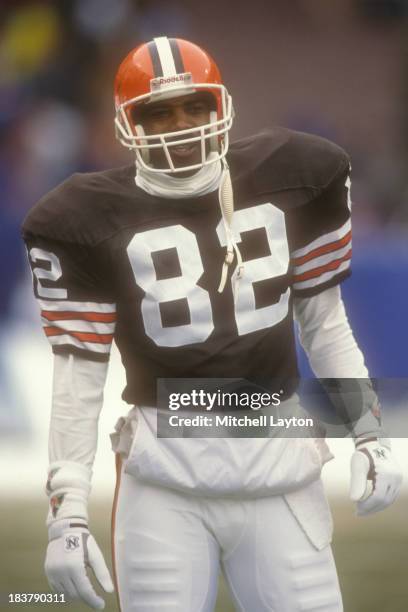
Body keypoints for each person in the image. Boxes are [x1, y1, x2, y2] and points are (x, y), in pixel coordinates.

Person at [22, 37, 402, 612]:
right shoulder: (82, 218)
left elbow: (324, 323)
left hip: (279, 471)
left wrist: (369, 430)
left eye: (194, 105)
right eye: (159, 111)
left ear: (221, 106)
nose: (181, 124)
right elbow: (80, 374)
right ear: (129, 125)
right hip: (163, 482)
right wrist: (67, 509)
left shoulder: (297, 175)